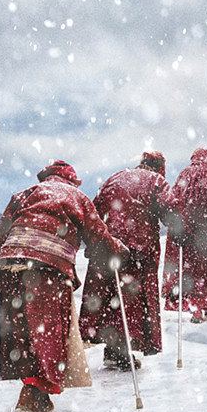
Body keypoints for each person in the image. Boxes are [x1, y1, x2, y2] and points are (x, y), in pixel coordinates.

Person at [0, 160, 129, 412]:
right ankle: (32, 398)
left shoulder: (24, 194)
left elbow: (0, 232)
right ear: (72, 181)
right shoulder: (78, 197)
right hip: (47, 269)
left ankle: (39, 393)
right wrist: (115, 249)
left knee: (23, 334)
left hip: (12, 264)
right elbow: (98, 236)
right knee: (47, 336)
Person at [79, 151, 180, 370]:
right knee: (131, 302)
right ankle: (121, 352)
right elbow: (170, 210)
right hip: (137, 249)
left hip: (105, 247)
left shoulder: (114, 178)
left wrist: (97, 242)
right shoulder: (156, 181)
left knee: (111, 299)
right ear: (159, 167)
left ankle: (114, 350)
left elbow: (93, 211)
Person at [161, 148, 207, 324]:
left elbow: (174, 202)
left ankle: (195, 307)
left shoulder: (184, 174)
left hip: (188, 233)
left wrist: (180, 227)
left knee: (190, 270)